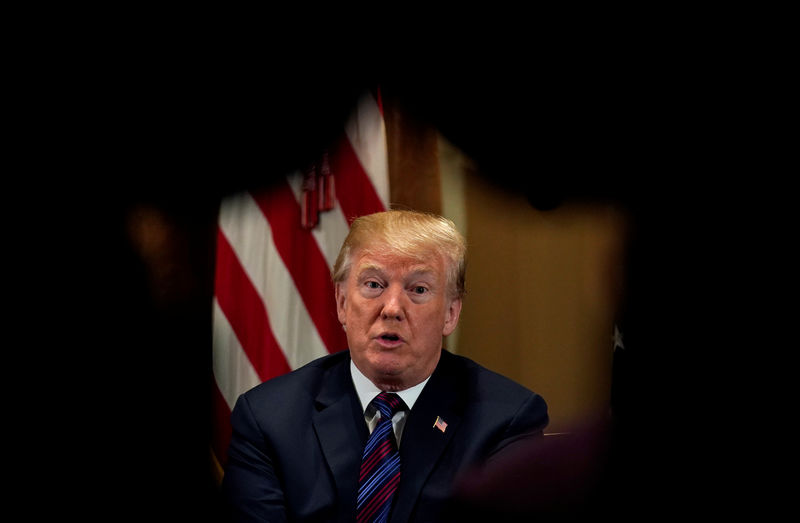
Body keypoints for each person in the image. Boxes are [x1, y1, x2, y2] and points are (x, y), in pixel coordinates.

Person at [222, 209, 549, 522]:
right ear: (342, 302)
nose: (392, 308)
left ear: (451, 312)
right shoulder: (268, 419)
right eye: (374, 285)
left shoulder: (506, 421)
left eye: (418, 289)